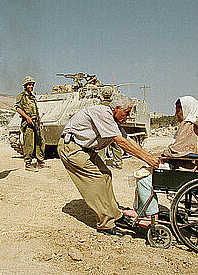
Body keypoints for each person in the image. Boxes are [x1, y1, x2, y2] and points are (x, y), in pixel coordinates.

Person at [58, 95, 160, 236]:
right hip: (72, 148)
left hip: (86, 149)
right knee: (97, 180)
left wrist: (149, 156)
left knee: (106, 175)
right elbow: (121, 142)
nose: (128, 116)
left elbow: (128, 139)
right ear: (117, 108)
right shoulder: (103, 113)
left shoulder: (114, 120)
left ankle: (116, 215)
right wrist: (146, 158)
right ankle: (105, 223)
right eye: (126, 113)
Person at [124, 96, 198, 228]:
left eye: (178, 110)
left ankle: (150, 217)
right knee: (143, 171)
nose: (175, 114)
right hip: (182, 164)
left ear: (186, 110)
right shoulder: (193, 124)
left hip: (183, 168)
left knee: (144, 179)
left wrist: (163, 156)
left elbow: (180, 150)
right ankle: (141, 211)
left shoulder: (189, 125)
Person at [15, 76, 48, 171]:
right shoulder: (21, 96)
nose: (31, 86)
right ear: (25, 86)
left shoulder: (33, 97)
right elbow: (17, 108)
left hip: (36, 121)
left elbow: (37, 110)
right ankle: (28, 164)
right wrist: (27, 117)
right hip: (28, 122)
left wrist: (40, 121)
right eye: (29, 85)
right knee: (29, 143)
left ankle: (40, 162)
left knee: (40, 142)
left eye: (32, 85)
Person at [97, 86, 123, 169]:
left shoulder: (99, 105)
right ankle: (118, 163)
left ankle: (101, 163)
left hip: (102, 129)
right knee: (116, 146)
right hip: (113, 128)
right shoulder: (114, 105)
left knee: (101, 147)